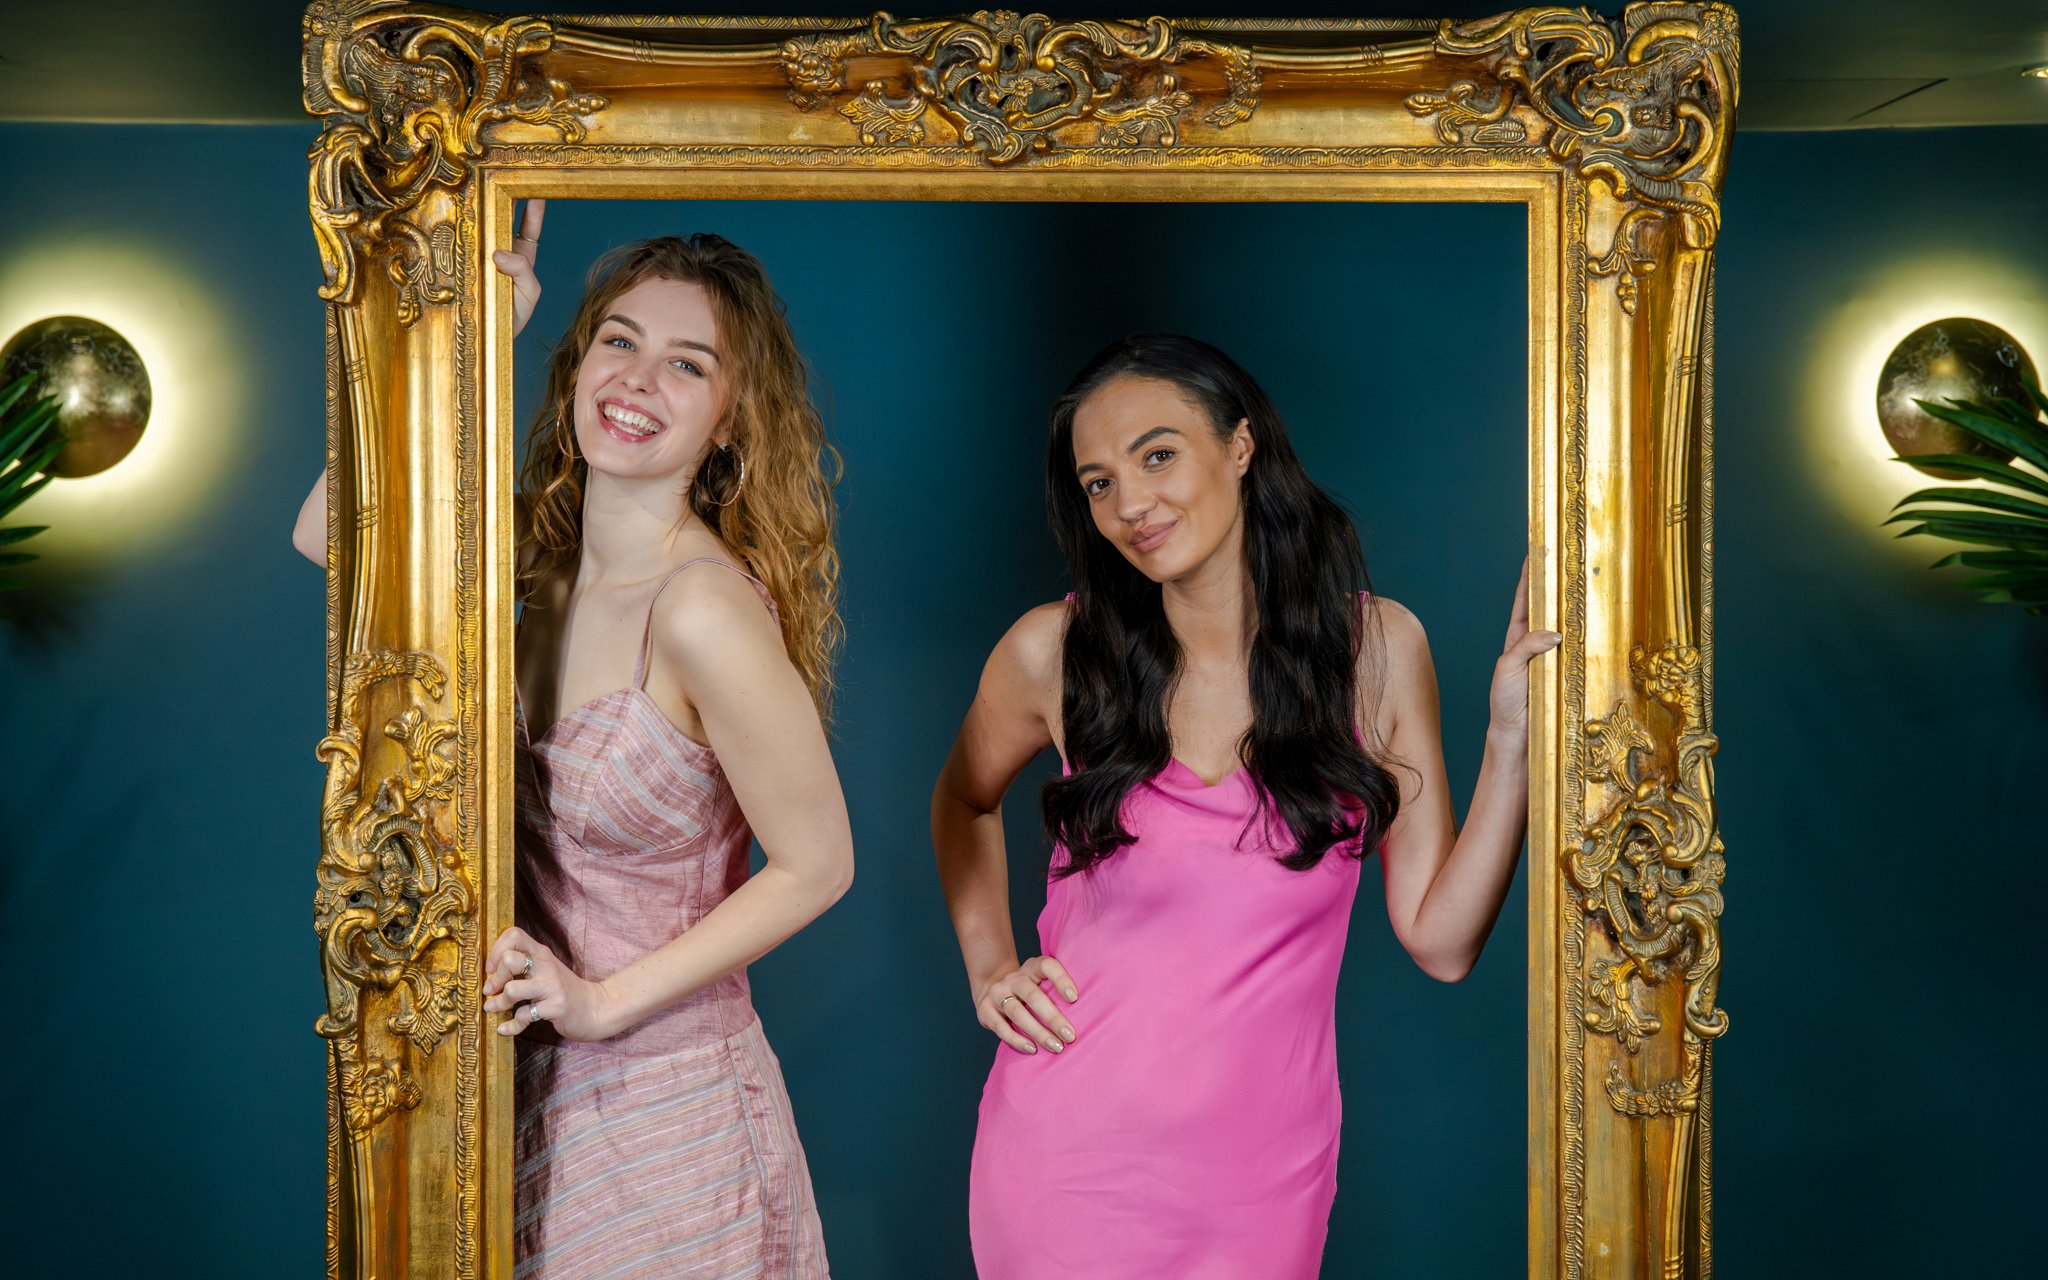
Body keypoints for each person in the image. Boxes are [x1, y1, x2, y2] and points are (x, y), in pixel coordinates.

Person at [294, 202, 850, 1278]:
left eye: (687, 364)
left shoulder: (702, 608)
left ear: (730, 419)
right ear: (578, 360)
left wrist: (598, 1003)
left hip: (671, 1117)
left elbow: (819, 864)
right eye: (618, 341)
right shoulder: (536, 563)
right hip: (526, 1098)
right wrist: (468, 334)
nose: (638, 379)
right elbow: (327, 531)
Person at [930, 333, 1556, 1278]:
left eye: (1157, 455)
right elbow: (963, 799)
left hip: (1262, 1182)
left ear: (1240, 444)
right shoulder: (1053, 654)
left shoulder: (1377, 653)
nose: (1130, 504)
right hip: (1064, 1166)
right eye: (1099, 483)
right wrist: (989, 969)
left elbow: (1442, 941)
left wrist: (1510, 742)